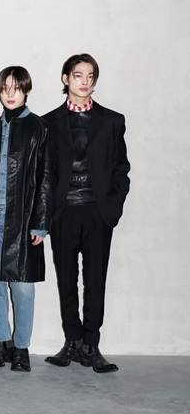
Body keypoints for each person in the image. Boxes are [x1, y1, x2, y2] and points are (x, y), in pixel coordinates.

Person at [43, 54, 130, 373]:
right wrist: (47, 216)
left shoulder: (112, 121)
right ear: (65, 78)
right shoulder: (48, 122)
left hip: (97, 212)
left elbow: (121, 168)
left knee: (95, 280)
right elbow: (45, 173)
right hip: (63, 213)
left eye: (90, 76)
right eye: (78, 75)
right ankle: (72, 341)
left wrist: (113, 207)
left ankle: (91, 344)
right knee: (66, 280)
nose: (85, 81)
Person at [0, 67, 52, 373]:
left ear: (25, 91)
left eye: (16, 88)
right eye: (5, 88)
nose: (10, 94)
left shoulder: (40, 128)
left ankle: (21, 347)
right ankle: (1, 343)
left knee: (22, 287)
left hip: (22, 220)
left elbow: (46, 177)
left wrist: (40, 222)